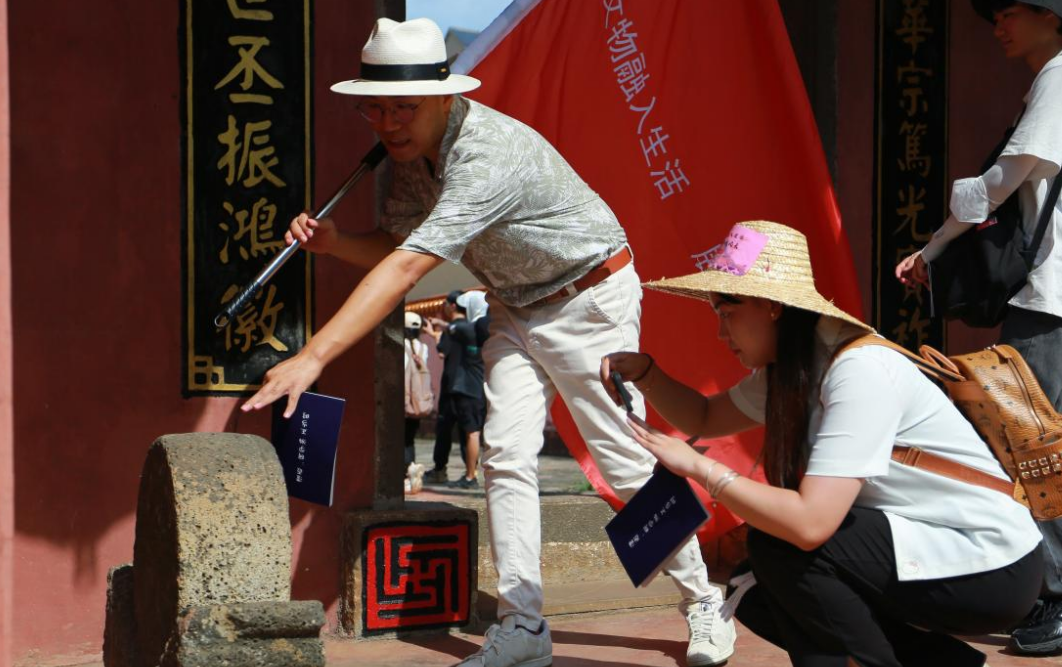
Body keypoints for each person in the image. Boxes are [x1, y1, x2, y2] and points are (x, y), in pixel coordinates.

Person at [241, 17, 732, 667]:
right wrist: (335, 244)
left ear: (444, 97)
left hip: (588, 298)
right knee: (503, 455)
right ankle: (523, 624)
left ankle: (703, 598)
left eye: (404, 108)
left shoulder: (485, 154)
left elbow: (407, 270)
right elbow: (394, 244)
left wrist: (312, 356)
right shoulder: (415, 160)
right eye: (376, 108)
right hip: (514, 306)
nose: (388, 123)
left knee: (623, 460)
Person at [604, 220, 1046, 667]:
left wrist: (703, 470)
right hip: (928, 544)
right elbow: (703, 416)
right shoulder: (796, 367)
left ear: (770, 306)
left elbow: (812, 523)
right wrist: (646, 374)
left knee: (782, 552)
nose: (721, 333)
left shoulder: (859, 370)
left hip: (990, 561)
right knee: (754, 589)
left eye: (726, 312)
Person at [894, 0, 1062, 654]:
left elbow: (1005, 176)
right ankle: (1051, 586)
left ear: (1052, 15)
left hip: (1051, 289)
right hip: (1052, 289)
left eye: (1010, 10)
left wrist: (935, 245)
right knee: (1021, 437)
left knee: (1025, 441)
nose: (997, 23)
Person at [422, 290, 468, 484]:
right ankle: (471, 472)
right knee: (468, 431)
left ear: (453, 305)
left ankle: (440, 469)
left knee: (444, 429)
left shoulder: (451, 330)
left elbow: (442, 352)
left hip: (451, 384)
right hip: (469, 385)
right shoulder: (471, 328)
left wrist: (433, 335)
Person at [447, 290, 488, 489]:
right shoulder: (490, 331)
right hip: (483, 387)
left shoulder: (468, 330)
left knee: (472, 433)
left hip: (468, 388)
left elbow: (453, 328)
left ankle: (471, 476)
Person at [403, 310, 431, 467]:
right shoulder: (424, 348)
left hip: (403, 397)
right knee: (409, 438)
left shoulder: (401, 346)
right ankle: (410, 470)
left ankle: (403, 472)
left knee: (398, 437)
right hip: (418, 400)